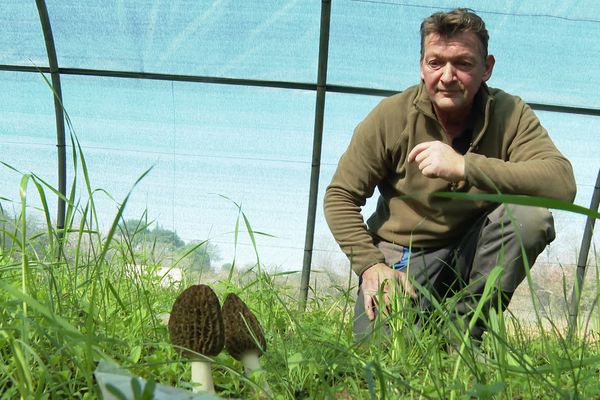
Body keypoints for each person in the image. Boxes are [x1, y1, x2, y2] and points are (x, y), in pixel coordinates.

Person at [323, 8, 576, 343]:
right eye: (435, 62)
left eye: (463, 63)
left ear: (486, 68)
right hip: (404, 252)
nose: (447, 76)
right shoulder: (391, 116)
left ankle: (465, 337)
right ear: (421, 66)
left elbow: (561, 184)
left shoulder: (511, 113)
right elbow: (339, 196)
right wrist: (371, 265)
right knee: (381, 353)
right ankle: (415, 319)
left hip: (475, 250)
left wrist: (465, 166)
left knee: (528, 217)